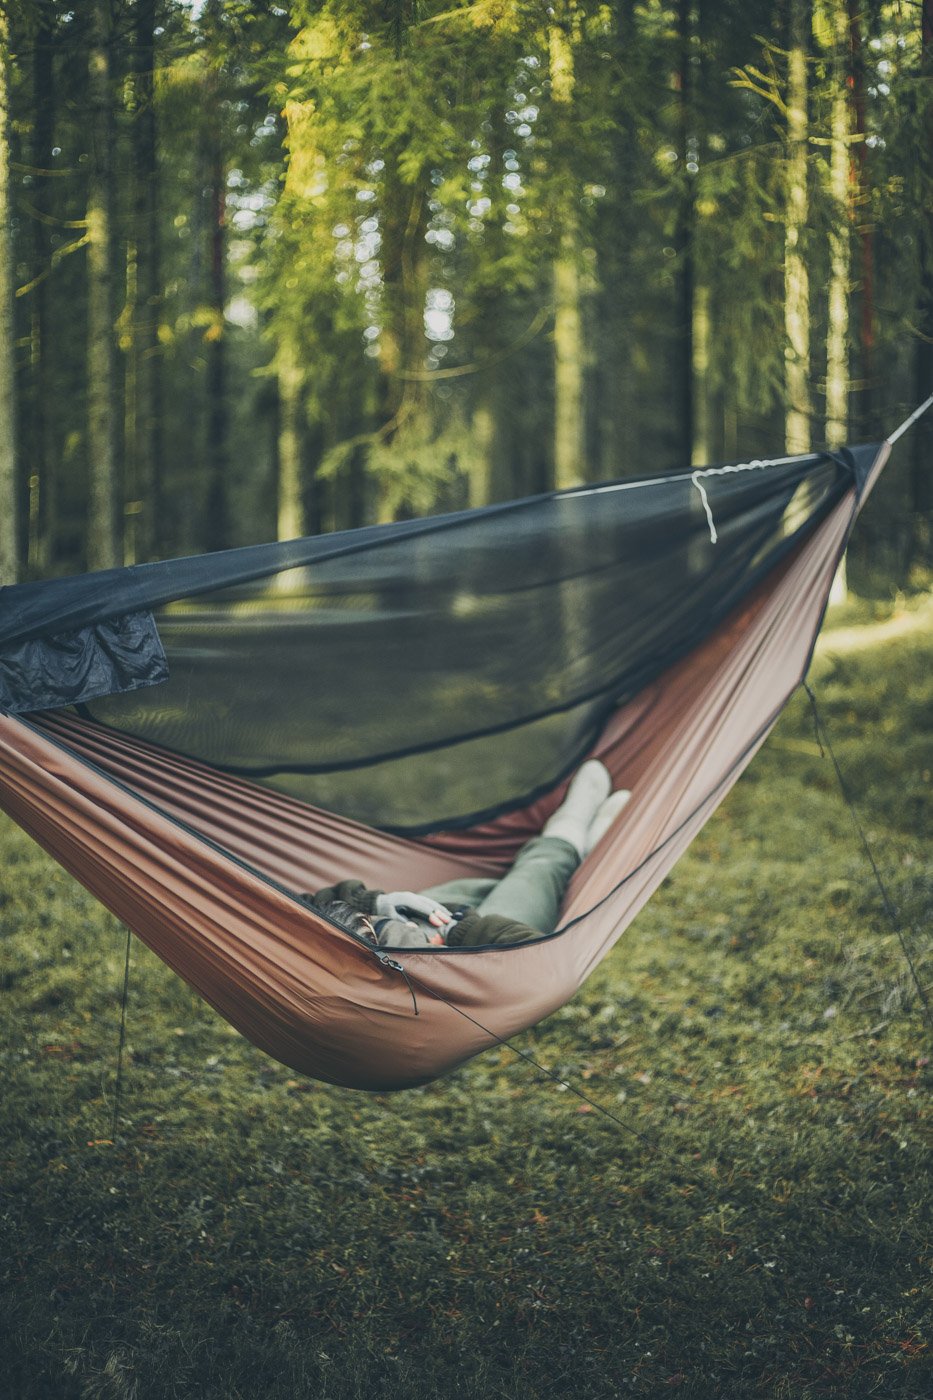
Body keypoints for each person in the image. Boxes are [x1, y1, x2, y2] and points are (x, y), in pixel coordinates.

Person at [302, 760, 631, 949]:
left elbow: (306, 907)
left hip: (414, 925)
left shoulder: (282, 933)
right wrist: (458, 934)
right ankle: (568, 835)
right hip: (468, 951)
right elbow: (537, 956)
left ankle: (578, 849)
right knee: (534, 876)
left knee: (478, 890)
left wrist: (373, 905)